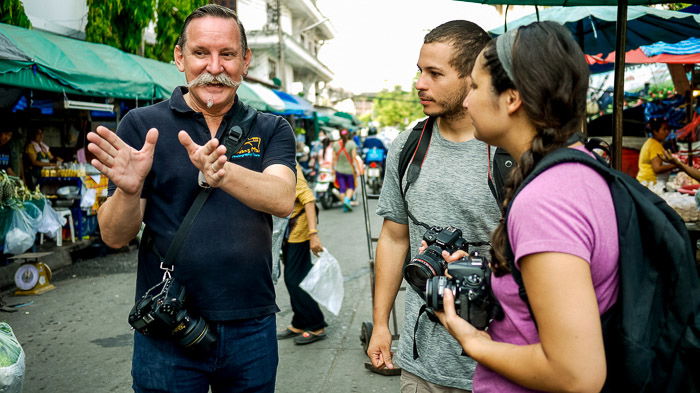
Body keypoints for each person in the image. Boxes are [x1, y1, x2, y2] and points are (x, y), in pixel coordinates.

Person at [86, 4, 296, 392]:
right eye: (201, 53)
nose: (214, 66)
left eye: (227, 54)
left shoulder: (271, 127)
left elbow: (282, 198)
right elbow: (115, 236)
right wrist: (131, 191)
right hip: (167, 323)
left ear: (245, 61)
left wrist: (223, 173)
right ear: (180, 57)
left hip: (251, 325)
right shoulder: (142, 125)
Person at [435, 21, 618, 393]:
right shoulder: (578, 167)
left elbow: (576, 375)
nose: (467, 101)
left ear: (512, 98)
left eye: (475, 87)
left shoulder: (546, 200)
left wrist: (475, 343)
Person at [367, 20, 499, 392]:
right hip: (419, 361)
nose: (420, 83)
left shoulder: (507, 150)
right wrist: (381, 325)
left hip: (496, 363)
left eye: (435, 73)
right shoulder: (408, 145)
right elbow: (394, 238)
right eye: (419, 71)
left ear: (472, 77)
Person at [276, 163, 327, 345]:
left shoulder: (289, 165)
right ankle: (299, 322)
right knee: (299, 276)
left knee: (293, 278)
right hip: (287, 229)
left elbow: (309, 199)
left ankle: (316, 325)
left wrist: (313, 234)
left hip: (299, 228)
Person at [636, 118, 675, 184]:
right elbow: (657, 168)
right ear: (655, 131)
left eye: (668, 129)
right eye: (664, 129)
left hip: (644, 180)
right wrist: (677, 165)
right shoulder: (655, 145)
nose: (667, 132)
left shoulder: (650, 142)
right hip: (650, 182)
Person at [332, 129, 357, 212]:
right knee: (351, 187)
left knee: (342, 188)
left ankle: (345, 206)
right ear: (348, 134)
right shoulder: (352, 144)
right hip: (349, 170)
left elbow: (334, 159)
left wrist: (332, 169)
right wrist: (356, 169)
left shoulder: (335, 144)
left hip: (339, 170)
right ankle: (347, 200)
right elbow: (354, 158)